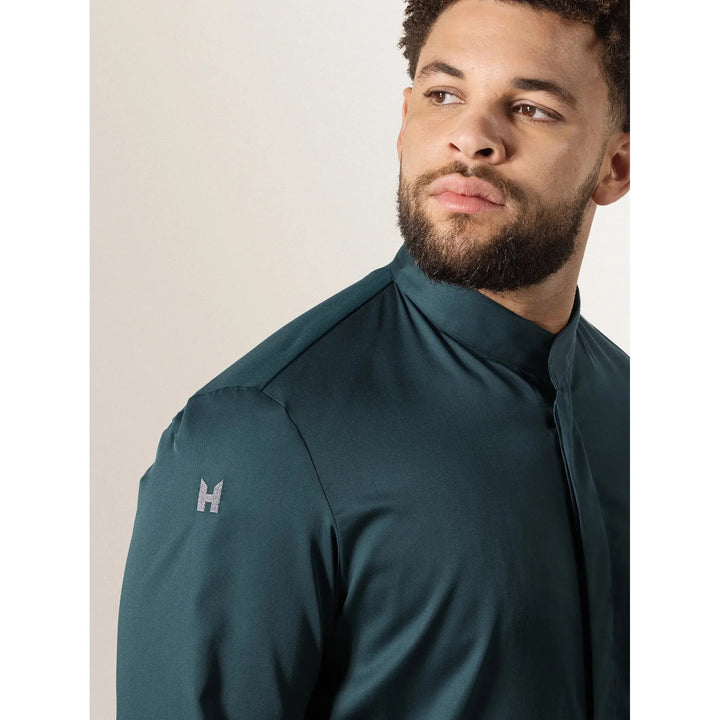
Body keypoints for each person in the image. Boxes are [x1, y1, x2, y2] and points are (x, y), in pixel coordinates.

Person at [117, 0, 630, 717]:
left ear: (615, 165)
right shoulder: (257, 435)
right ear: (404, 118)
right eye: (443, 95)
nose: (471, 138)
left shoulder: (640, 413)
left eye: (532, 109)